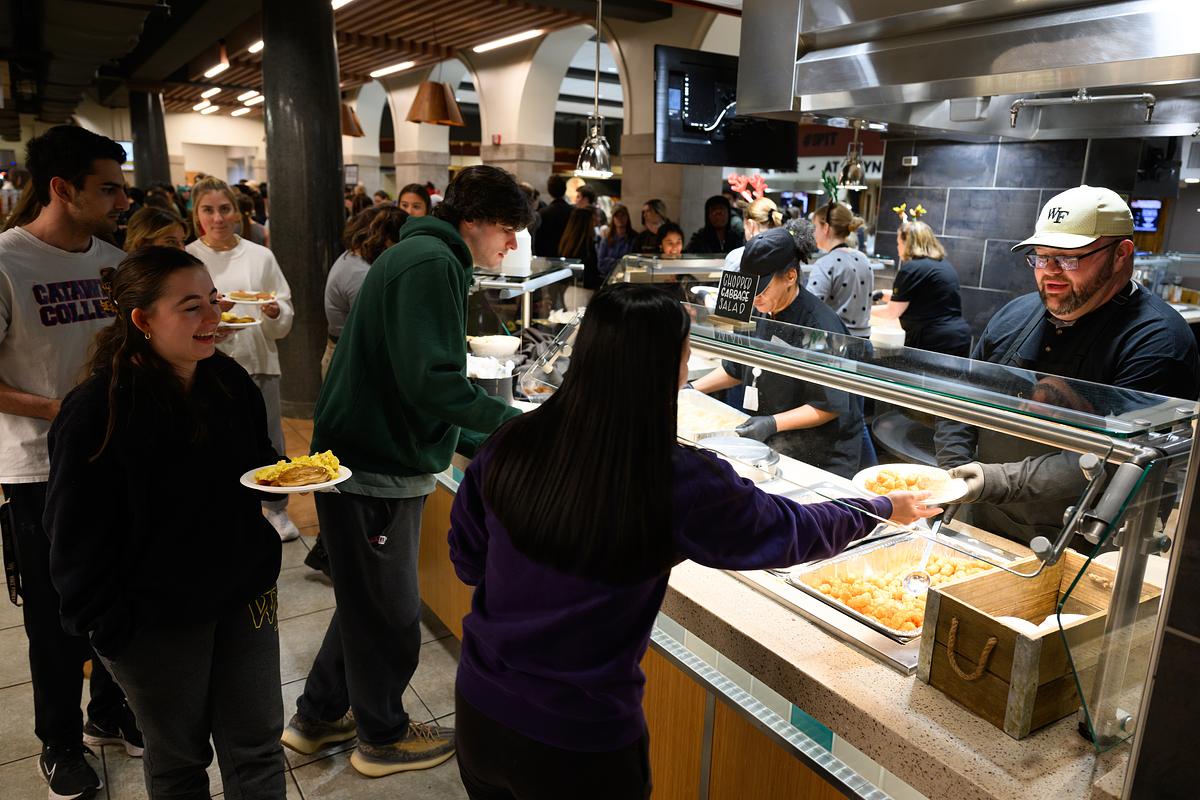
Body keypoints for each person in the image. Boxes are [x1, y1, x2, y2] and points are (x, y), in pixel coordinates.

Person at [447, 282, 937, 799]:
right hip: (579, 741)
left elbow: (468, 559)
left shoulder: (511, 441)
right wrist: (881, 507)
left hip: (482, 712)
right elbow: (791, 531)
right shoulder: (675, 479)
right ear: (668, 371)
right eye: (684, 358)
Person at [282, 165, 531, 778]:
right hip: (374, 460)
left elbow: (419, 377)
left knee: (366, 602)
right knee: (390, 612)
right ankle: (383, 737)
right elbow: (431, 383)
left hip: (372, 450)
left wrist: (484, 428)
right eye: (506, 229)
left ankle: (317, 720)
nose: (511, 244)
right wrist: (515, 425)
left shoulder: (425, 255)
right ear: (471, 221)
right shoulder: (430, 262)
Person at [45, 247, 288, 799]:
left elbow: (260, 460)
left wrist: (283, 478)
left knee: (257, 746)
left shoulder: (226, 381)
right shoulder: (96, 412)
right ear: (142, 320)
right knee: (179, 759)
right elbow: (73, 541)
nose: (213, 319)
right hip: (156, 619)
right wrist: (111, 630)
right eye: (190, 308)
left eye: (213, 302)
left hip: (244, 595)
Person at [0, 125, 141, 800]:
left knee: (120, 595)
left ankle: (109, 714)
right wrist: (64, 412)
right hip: (38, 470)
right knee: (57, 618)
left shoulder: (112, 262)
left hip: (116, 458)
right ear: (62, 188)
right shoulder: (7, 262)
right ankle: (58, 742)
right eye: (108, 188)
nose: (123, 199)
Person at [937, 185, 1200, 546]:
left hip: (1080, 539)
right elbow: (961, 401)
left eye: (1069, 258)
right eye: (1041, 257)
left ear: (1121, 254)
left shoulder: (1157, 340)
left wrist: (989, 481)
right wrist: (952, 477)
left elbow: (1114, 458)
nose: (1051, 272)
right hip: (983, 516)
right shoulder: (1014, 314)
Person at [691, 225, 866, 479]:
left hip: (820, 455)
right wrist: (691, 390)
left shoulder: (819, 325)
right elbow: (735, 368)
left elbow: (829, 405)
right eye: (751, 288)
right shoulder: (757, 309)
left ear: (791, 276)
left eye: (762, 289)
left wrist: (772, 423)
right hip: (772, 444)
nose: (754, 298)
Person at [185, 177, 299, 542]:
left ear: (237, 211)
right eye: (208, 210)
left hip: (258, 357)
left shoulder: (260, 255)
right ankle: (224, 507)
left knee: (267, 436)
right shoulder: (189, 257)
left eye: (224, 208)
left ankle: (276, 509)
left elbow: (283, 307)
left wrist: (272, 309)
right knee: (214, 437)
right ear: (196, 215)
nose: (217, 218)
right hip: (204, 364)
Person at [322, 205, 409, 379]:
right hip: (351, 361)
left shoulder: (355, 257)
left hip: (348, 352)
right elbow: (373, 331)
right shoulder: (360, 273)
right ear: (385, 240)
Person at [874, 220, 971, 357]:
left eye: (898, 243)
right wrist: (882, 294)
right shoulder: (942, 265)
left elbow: (892, 312)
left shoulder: (912, 268)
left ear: (907, 243)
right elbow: (920, 299)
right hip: (958, 337)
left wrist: (864, 310)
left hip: (935, 341)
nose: (897, 248)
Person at [808, 201, 873, 337]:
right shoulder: (863, 258)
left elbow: (811, 307)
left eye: (814, 227)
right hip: (864, 340)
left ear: (825, 228)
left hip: (836, 341)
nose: (812, 233)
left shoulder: (826, 263)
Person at [724, 196, 784, 270]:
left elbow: (728, 281)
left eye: (744, 225)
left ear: (750, 225)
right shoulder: (788, 255)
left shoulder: (736, 258)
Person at [559, 207, 600, 290]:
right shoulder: (586, 245)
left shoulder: (568, 241)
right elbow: (590, 273)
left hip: (569, 289)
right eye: (593, 220)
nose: (595, 223)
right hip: (583, 290)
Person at [533, 174, 571, 257]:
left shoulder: (543, 212)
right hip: (569, 255)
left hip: (548, 256)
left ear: (549, 191)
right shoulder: (573, 212)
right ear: (565, 189)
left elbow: (538, 240)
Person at [597, 203, 635, 278]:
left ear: (627, 217)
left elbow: (633, 264)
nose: (620, 218)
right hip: (608, 278)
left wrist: (610, 260)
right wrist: (621, 261)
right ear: (613, 219)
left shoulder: (635, 238)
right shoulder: (606, 239)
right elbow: (601, 265)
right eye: (617, 216)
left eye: (623, 215)